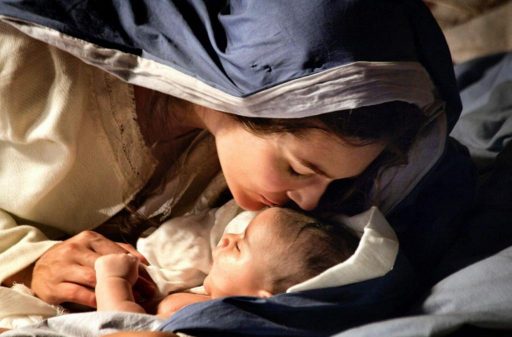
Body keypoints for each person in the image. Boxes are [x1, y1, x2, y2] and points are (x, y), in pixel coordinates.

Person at [0, 0, 477, 335]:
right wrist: (27, 261)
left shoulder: (254, 194)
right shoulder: (25, 67)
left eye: (334, 180)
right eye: (298, 168)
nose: (311, 201)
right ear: (243, 101)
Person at [94, 207, 358, 317]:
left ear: (262, 298)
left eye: (240, 246)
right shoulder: (204, 298)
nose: (227, 238)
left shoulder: (207, 312)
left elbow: (127, 326)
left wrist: (112, 281)